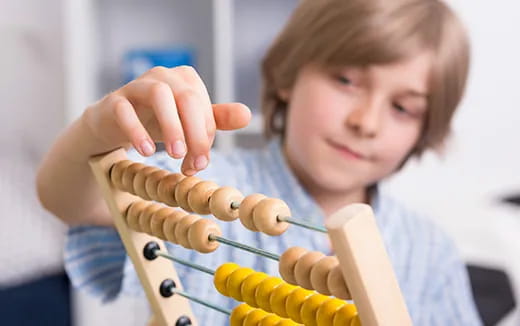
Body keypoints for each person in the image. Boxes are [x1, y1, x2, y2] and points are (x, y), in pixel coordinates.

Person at [37, 0, 482, 324]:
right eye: (345, 80)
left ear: (425, 130)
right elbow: (74, 201)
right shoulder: (199, 188)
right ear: (290, 74)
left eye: (403, 108)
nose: (366, 122)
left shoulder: (431, 253)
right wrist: (97, 132)